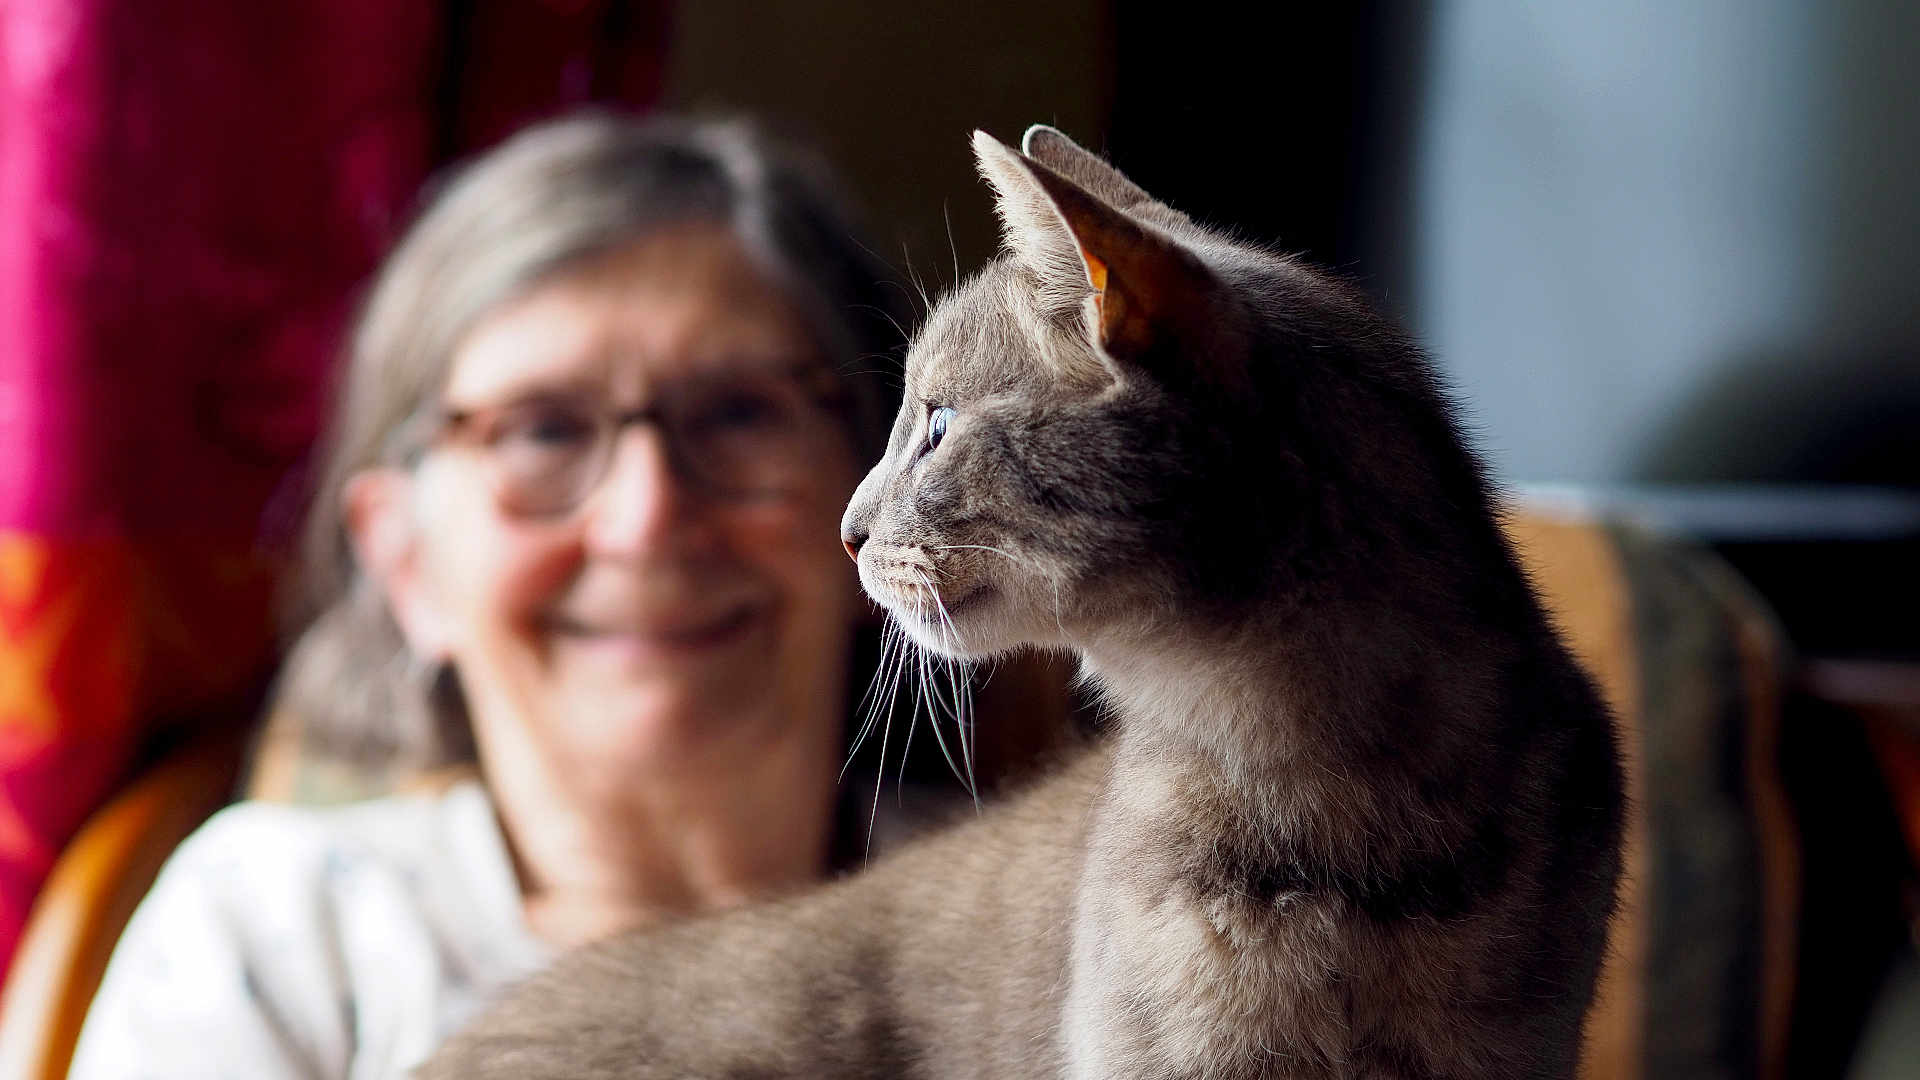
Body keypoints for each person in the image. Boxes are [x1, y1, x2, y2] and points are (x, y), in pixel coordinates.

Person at [68, 110, 914, 1078]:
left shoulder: (1046, 906)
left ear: (881, 494)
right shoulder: (282, 933)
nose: (644, 519)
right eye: (542, 433)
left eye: (736, 415)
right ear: (406, 561)